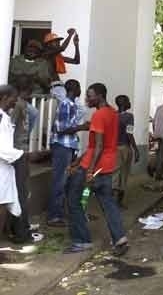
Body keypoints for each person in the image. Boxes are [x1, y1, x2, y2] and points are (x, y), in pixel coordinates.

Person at [65, 83, 127, 255]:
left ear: (99, 96)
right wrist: (78, 161)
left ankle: (81, 241)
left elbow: (98, 147)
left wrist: (90, 170)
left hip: (94, 166)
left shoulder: (99, 115)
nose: (87, 98)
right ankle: (120, 238)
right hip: (107, 165)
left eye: (90, 95)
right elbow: (95, 145)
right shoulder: (113, 113)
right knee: (108, 203)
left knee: (73, 200)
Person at [48, 79, 84, 227]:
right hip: (62, 146)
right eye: (79, 87)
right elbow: (61, 129)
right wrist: (82, 127)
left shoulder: (72, 105)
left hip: (69, 146)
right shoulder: (66, 104)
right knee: (60, 181)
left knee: (66, 181)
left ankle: (61, 213)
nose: (81, 90)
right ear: (73, 89)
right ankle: (54, 216)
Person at [8, 77, 36, 243]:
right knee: (21, 192)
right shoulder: (26, 106)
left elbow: (8, 127)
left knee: (18, 193)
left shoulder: (17, 105)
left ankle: (21, 231)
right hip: (22, 152)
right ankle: (21, 229)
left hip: (16, 153)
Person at [0, 85, 25, 237]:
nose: (15, 103)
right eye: (13, 99)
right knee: (1, 207)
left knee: (3, 205)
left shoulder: (5, 117)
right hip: (1, 169)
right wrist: (23, 155)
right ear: (4, 98)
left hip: (5, 169)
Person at [113, 95, 139, 207]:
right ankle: (119, 202)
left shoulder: (113, 115)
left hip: (113, 148)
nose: (130, 102)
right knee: (123, 176)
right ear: (124, 103)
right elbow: (129, 133)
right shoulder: (129, 116)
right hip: (124, 148)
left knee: (114, 175)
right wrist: (136, 149)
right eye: (128, 100)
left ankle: (110, 200)